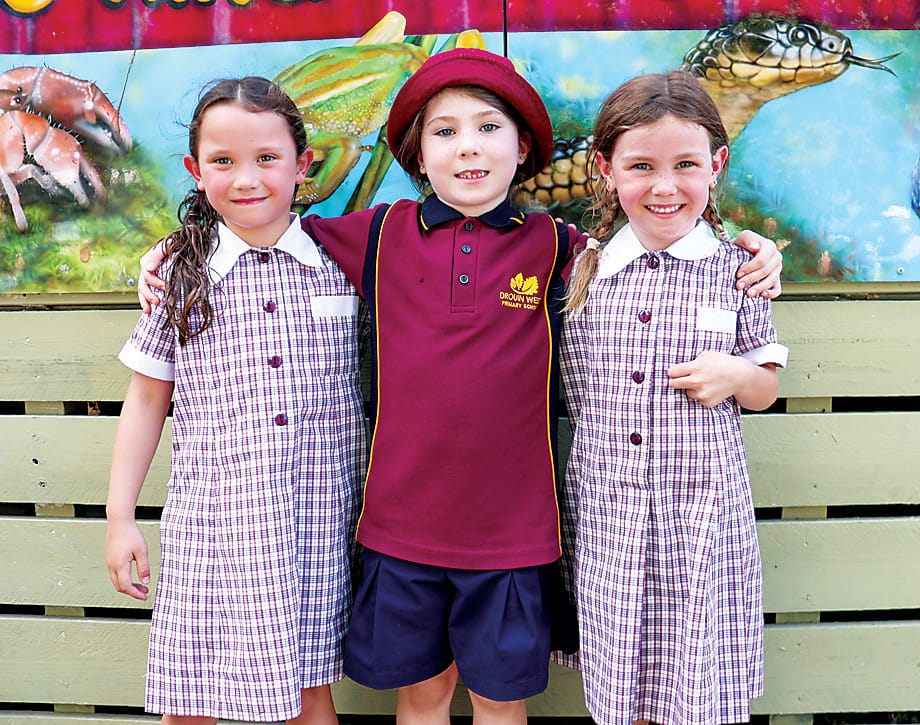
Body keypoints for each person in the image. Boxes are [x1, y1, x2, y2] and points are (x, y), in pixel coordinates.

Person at [137, 50, 783, 725]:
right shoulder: (377, 234)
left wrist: (751, 248)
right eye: (444, 132)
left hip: (514, 533)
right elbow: (261, 228)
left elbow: (652, 244)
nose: (467, 147)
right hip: (400, 528)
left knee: (500, 700)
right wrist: (178, 246)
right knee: (421, 695)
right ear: (418, 155)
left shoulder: (557, 246)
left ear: (522, 147)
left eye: (488, 128)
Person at [105, 77, 367, 725]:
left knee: (308, 692)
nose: (246, 179)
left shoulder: (346, 263)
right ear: (196, 172)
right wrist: (119, 518)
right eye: (222, 161)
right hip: (215, 526)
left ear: (303, 165)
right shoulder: (179, 274)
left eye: (267, 158)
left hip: (316, 524)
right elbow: (146, 401)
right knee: (191, 698)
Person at [560, 69, 789, 725]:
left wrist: (735, 375)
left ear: (715, 165)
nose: (664, 187)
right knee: (626, 682)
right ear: (605, 169)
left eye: (685, 164)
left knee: (693, 683)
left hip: (701, 522)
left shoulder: (739, 271)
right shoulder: (578, 270)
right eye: (641, 166)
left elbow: (765, 389)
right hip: (608, 518)